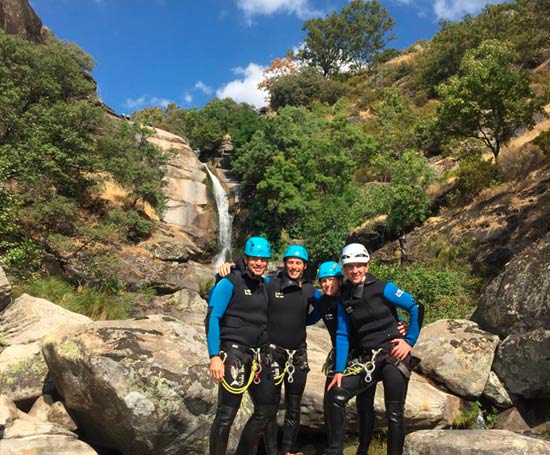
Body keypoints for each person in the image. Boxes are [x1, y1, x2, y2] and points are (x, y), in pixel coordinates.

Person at [217, 244, 320, 455]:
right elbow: (247, 277)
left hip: (297, 355)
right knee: (268, 407)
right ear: (284, 264)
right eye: (290, 262)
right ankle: (271, 451)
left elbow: (323, 308)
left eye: (298, 263)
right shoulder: (271, 283)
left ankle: (287, 451)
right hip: (272, 353)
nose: (294, 266)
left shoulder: (310, 289)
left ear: (305, 266)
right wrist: (231, 266)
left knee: (291, 406)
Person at [324, 243, 422, 455]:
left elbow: (415, 306)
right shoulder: (345, 297)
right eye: (350, 267)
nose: (355, 270)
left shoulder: (383, 287)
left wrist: (409, 341)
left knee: (394, 413)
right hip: (367, 360)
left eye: (359, 266)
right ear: (344, 269)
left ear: (367, 266)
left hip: (393, 355)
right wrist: (339, 371)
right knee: (335, 396)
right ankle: (340, 451)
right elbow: (342, 334)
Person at [206, 236, 277, 455]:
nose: (259, 263)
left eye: (263, 259)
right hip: (233, 356)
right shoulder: (230, 281)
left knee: (266, 411)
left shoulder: (265, 285)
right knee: (226, 416)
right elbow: (212, 317)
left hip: (258, 357)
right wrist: (214, 356)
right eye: (254, 258)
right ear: (245, 259)